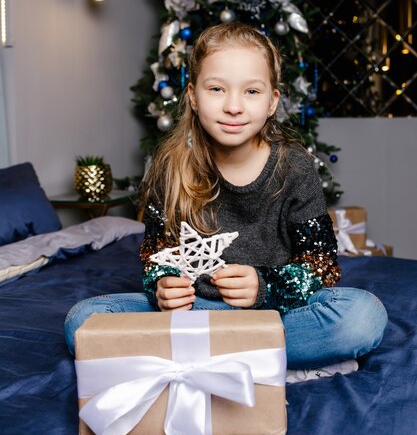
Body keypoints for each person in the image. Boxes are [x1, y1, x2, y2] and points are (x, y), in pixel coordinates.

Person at [65, 22, 387, 378]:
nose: (233, 106)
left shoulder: (294, 167)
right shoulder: (170, 167)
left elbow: (322, 265)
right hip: (192, 314)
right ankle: (247, 356)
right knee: (83, 321)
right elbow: (155, 256)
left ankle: (193, 355)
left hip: (275, 313)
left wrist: (264, 287)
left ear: (272, 102)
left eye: (251, 91)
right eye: (216, 88)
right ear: (192, 96)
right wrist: (163, 285)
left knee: (363, 316)